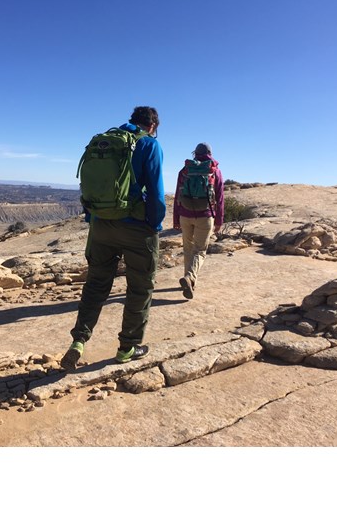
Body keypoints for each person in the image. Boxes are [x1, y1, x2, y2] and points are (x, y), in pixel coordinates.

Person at [61, 106, 166, 370]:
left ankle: (79, 341)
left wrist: (93, 218)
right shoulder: (149, 144)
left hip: (101, 226)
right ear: (153, 125)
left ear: (131, 120)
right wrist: (154, 224)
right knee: (140, 288)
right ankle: (127, 348)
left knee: (96, 285)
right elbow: (156, 192)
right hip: (136, 228)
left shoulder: (104, 141)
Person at [173, 142, 224, 299]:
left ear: (194, 153)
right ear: (210, 153)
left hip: (185, 215)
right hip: (205, 215)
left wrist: (176, 218)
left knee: (188, 248)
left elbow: (177, 196)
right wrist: (219, 221)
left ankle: (189, 282)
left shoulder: (185, 170)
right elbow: (220, 198)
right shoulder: (214, 171)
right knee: (200, 250)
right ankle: (190, 277)